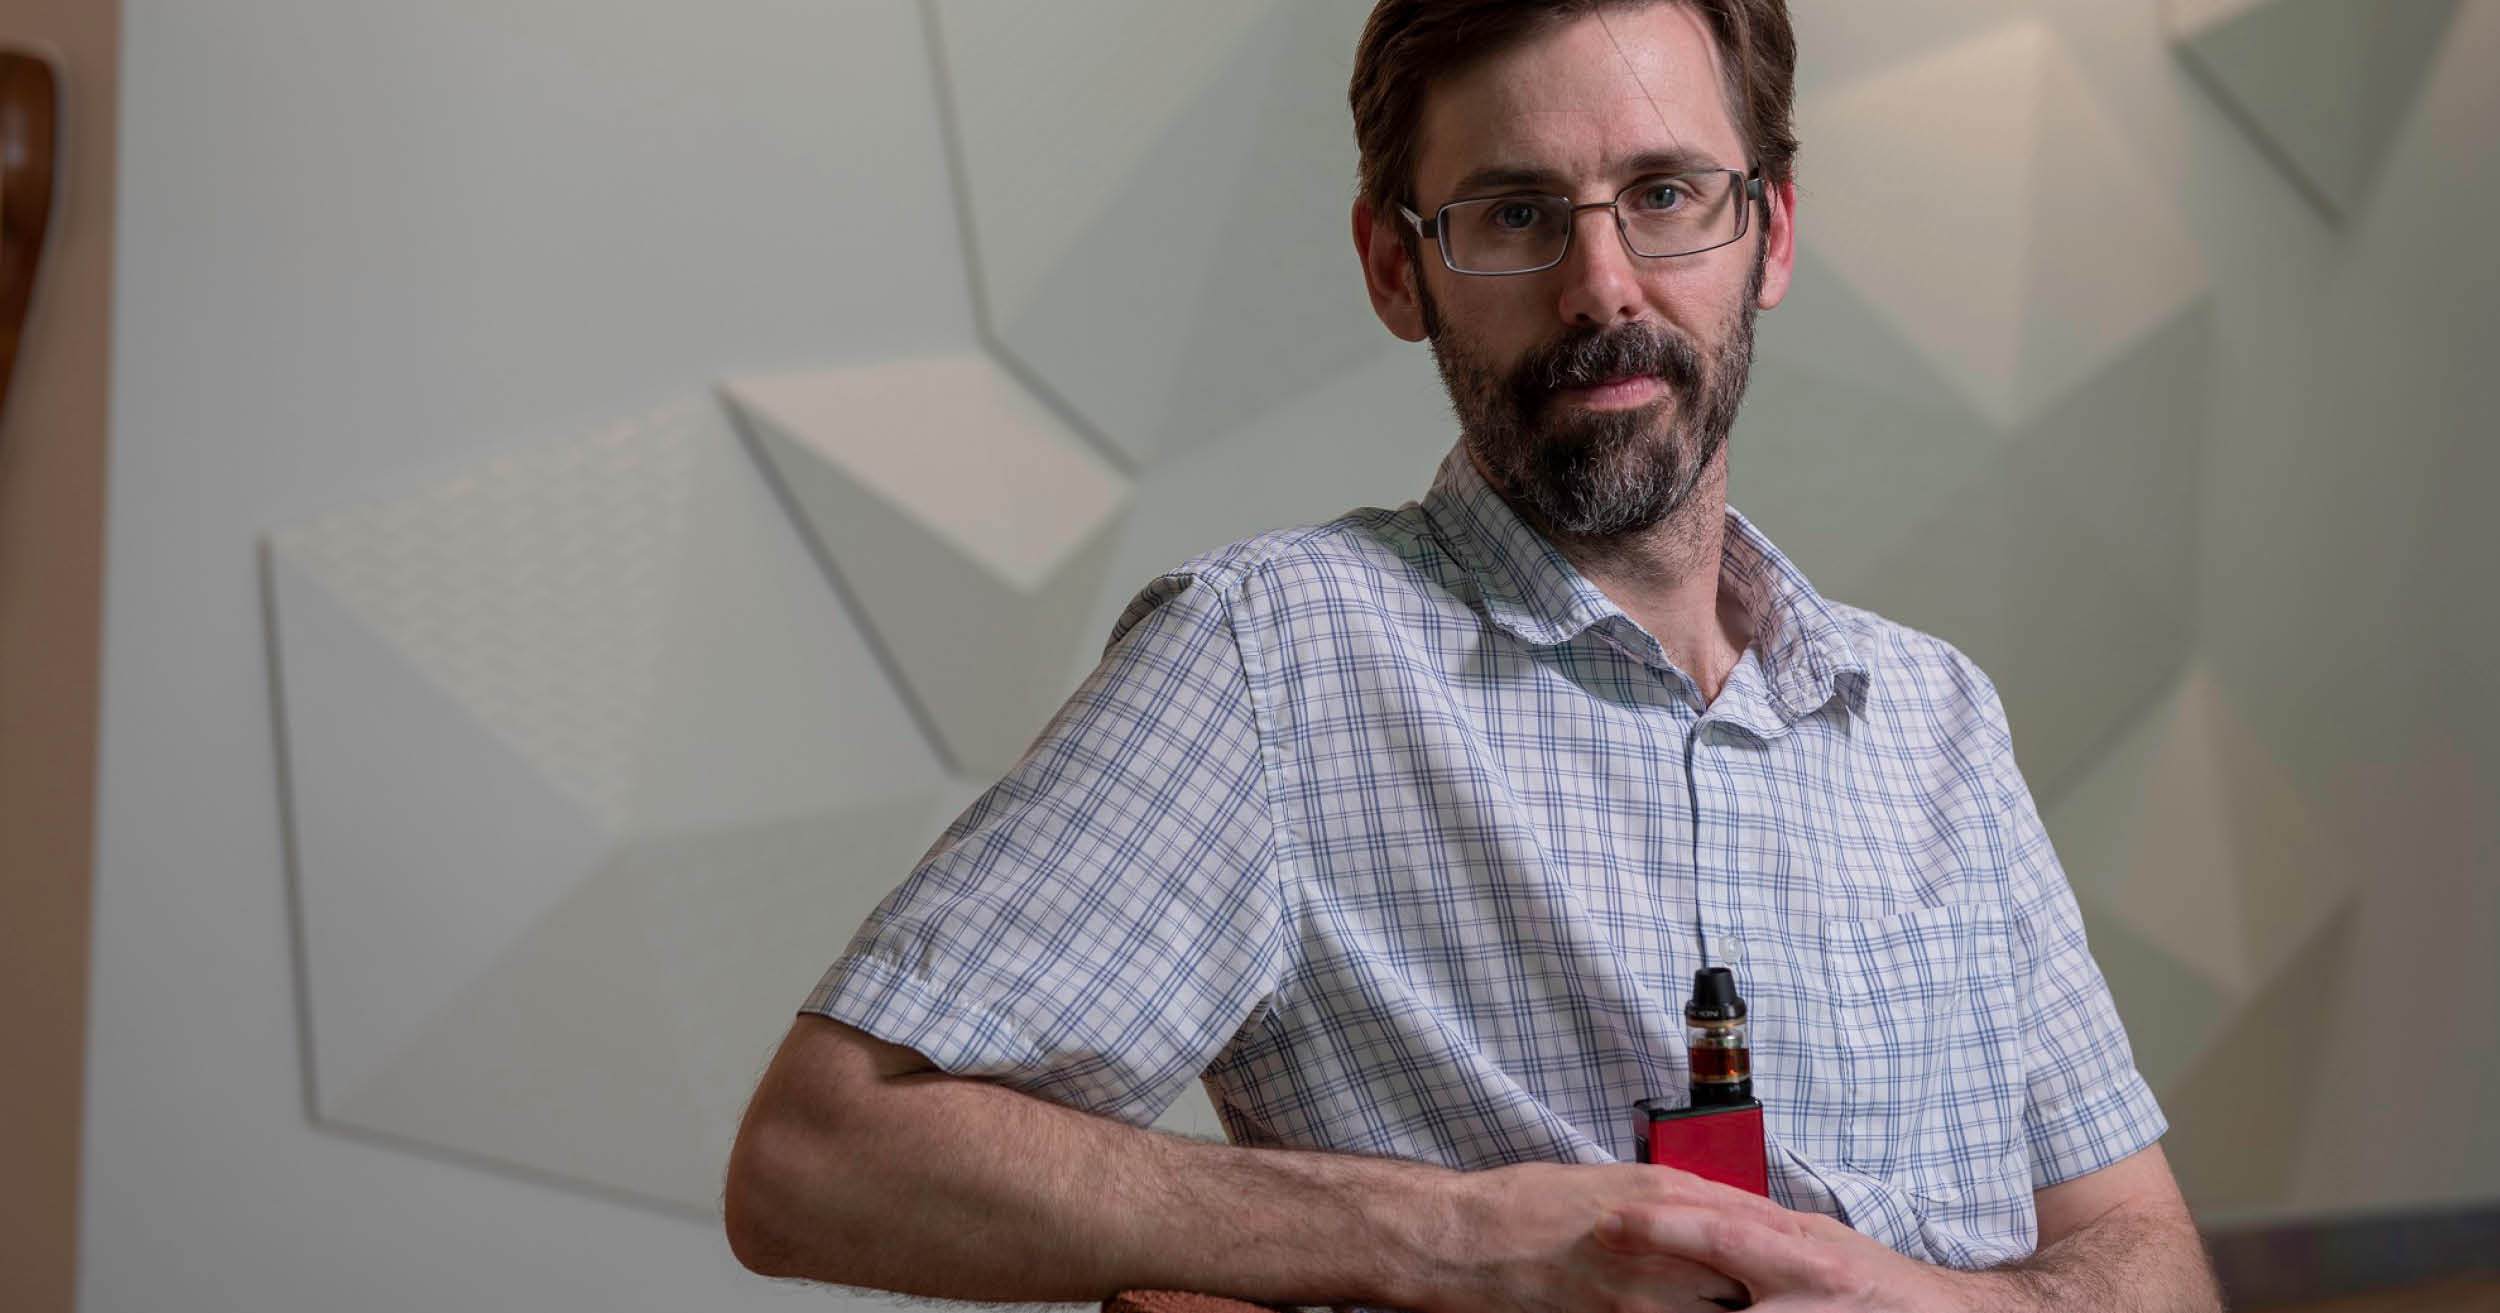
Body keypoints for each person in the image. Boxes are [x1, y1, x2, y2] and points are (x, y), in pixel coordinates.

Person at [724, 2, 2225, 1309]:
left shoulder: (1935, 717)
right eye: (1514, 213)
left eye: (1666, 193)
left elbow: (2146, 1254)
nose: (1604, 288)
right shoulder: (1279, 660)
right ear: (1396, 264)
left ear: (1767, 231)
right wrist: (1444, 1236)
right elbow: (816, 1156)